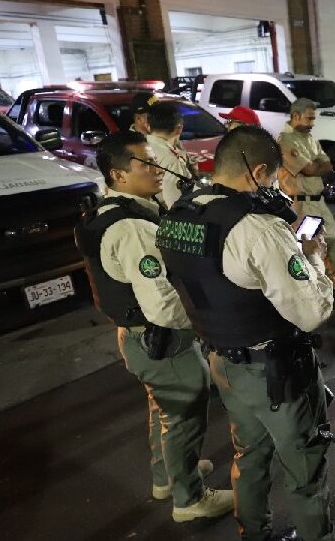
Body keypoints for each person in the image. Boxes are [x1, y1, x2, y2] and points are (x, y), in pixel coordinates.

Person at [157, 126, 335, 541]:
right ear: (258, 171)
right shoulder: (256, 228)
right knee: (305, 467)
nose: (273, 187)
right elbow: (311, 313)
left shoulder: (179, 213)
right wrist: (312, 259)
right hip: (275, 372)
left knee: (250, 454)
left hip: (222, 360)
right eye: (272, 178)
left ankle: (253, 533)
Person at [74, 131, 234, 523]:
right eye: (145, 165)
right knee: (184, 416)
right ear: (119, 174)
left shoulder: (115, 210)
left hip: (139, 338)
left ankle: (169, 476)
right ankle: (190, 499)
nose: (157, 170)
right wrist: (206, 324)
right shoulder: (132, 228)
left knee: (164, 411)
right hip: (162, 339)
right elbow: (162, 303)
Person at [278, 98, 335, 297]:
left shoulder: (309, 138)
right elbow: (311, 168)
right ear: (295, 116)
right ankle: (317, 291)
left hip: (318, 200)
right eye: (309, 118)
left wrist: (317, 166)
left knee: (331, 240)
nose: (313, 123)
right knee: (310, 247)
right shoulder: (286, 140)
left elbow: (327, 164)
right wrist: (316, 165)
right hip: (304, 203)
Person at [146, 101, 197, 208]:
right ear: (179, 128)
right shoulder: (170, 159)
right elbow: (175, 204)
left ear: (148, 126)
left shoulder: (140, 147)